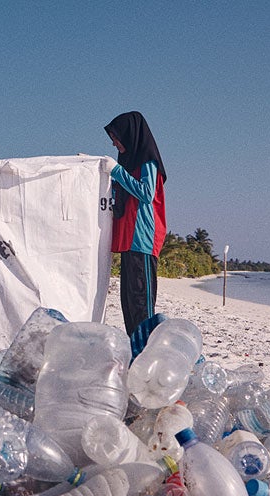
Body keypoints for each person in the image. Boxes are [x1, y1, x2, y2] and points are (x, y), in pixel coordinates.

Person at [101, 111, 167, 336]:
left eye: (116, 138)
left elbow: (147, 193)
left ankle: (147, 352)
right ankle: (134, 347)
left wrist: (116, 171)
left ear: (129, 135)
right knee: (128, 303)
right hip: (128, 240)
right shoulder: (127, 163)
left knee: (142, 303)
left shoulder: (148, 161)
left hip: (143, 239)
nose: (114, 143)